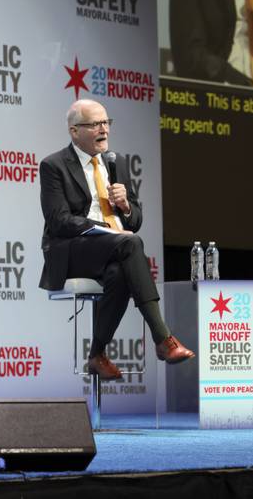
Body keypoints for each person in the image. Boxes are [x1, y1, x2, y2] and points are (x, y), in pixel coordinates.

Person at [38, 99, 194, 380]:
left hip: (113, 250)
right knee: (130, 243)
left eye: (106, 123)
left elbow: (134, 222)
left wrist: (125, 206)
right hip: (72, 250)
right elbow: (59, 221)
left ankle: (97, 354)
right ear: (75, 131)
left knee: (121, 271)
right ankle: (164, 340)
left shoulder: (116, 162)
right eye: (95, 124)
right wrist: (107, 230)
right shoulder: (54, 165)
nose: (104, 130)